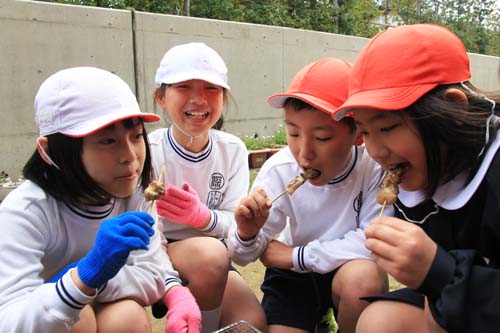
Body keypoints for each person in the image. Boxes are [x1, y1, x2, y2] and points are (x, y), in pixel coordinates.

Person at [0, 67, 201, 333]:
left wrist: (96, 279)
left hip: (103, 308)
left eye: (137, 136)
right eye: (107, 140)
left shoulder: (135, 194)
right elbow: (9, 322)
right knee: (79, 319)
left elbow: (152, 270)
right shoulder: (24, 213)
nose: (130, 156)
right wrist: (78, 282)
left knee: (127, 316)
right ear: (50, 151)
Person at [333, 23, 500, 333]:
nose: (376, 151)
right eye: (365, 132)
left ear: (453, 109)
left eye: (387, 128)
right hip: (466, 301)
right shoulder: (423, 169)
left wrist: (440, 272)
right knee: (379, 321)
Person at [227, 58, 389, 333]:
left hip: (344, 269)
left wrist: (297, 256)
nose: (304, 153)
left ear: (358, 134)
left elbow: (373, 241)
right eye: (292, 133)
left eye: (322, 138)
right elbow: (244, 256)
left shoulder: (373, 167)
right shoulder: (280, 171)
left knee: (364, 277)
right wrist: (246, 232)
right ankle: (315, 319)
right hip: (293, 278)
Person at [149, 42, 267, 333]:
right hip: (153, 255)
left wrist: (203, 217)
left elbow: (233, 222)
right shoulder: (148, 150)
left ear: (224, 97)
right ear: (161, 97)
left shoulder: (233, 150)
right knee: (211, 253)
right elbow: (146, 233)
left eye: (211, 88)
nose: (199, 99)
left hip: (211, 264)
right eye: (184, 87)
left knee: (252, 325)